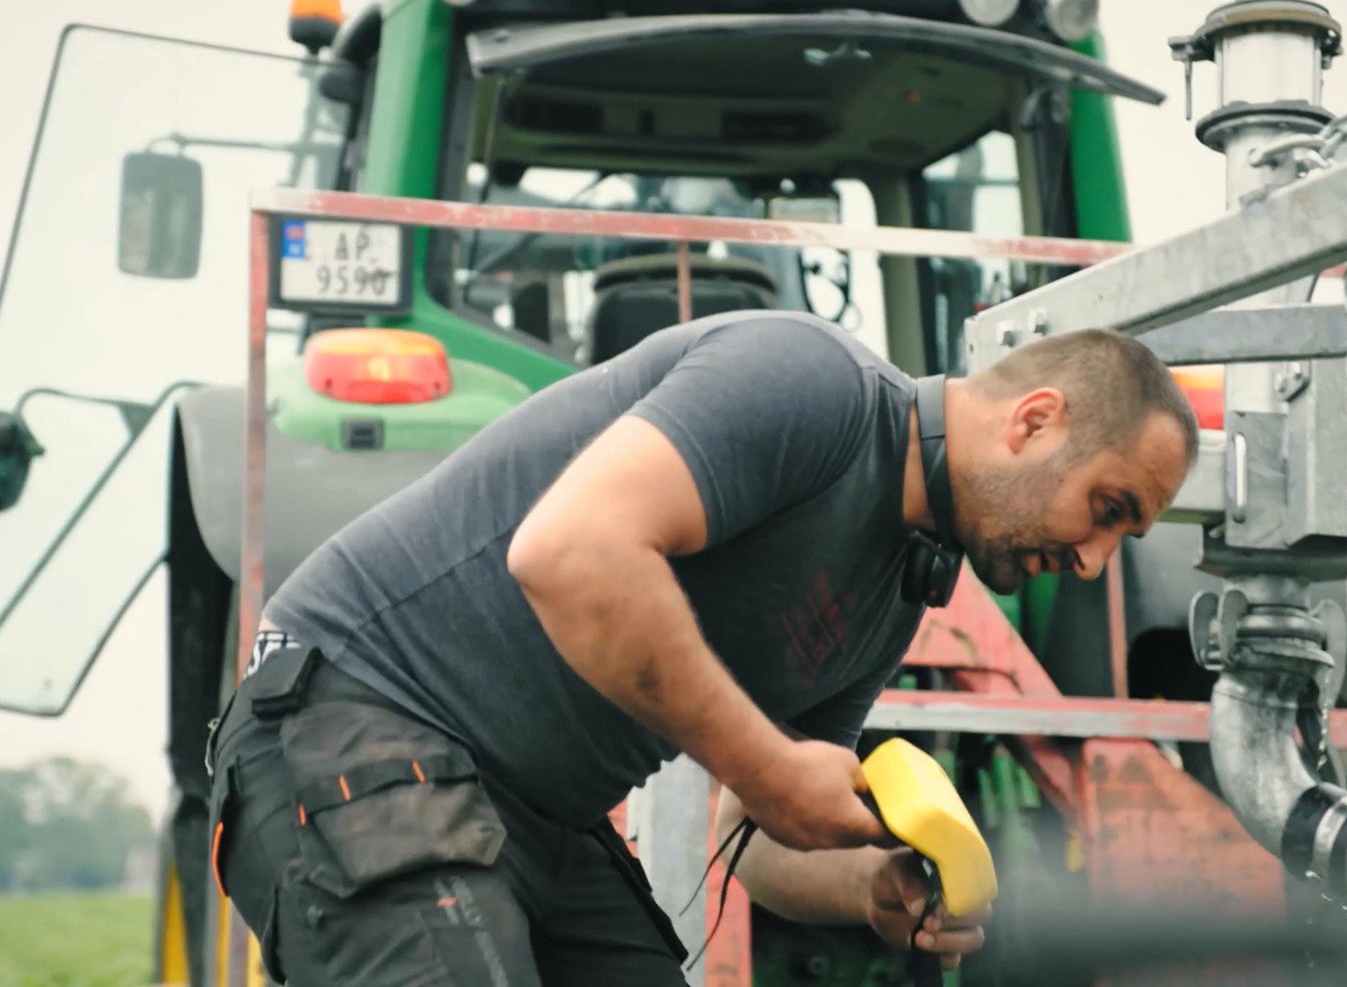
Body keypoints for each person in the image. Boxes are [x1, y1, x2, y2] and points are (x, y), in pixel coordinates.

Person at [204, 309, 1199, 986]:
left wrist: (868, 887)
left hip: (532, 811)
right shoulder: (811, 382)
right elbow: (567, 553)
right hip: (357, 716)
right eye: (1106, 509)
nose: (1094, 557)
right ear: (1033, 422)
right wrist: (769, 764)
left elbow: (752, 840)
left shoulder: (894, 593)